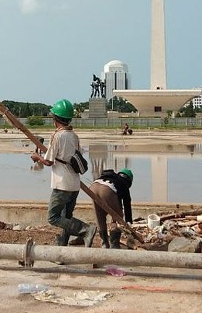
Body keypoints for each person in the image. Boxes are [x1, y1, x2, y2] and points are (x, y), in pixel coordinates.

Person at [30, 99, 96, 248]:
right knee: (66, 217)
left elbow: (48, 162)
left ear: (56, 120)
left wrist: (37, 157)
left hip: (62, 184)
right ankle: (62, 246)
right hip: (74, 184)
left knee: (53, 217)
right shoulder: (74, 136)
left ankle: (85, 229)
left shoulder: (57, 136)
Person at [89, 168, 133, 248]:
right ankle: (114, 243)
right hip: (106, 190)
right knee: (118, 215)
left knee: (100, 216)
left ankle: (104, 243)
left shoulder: (113, 177)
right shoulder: (124, 183)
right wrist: (128, 221)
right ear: (129, 180)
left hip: (94, 187)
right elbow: (127, 204)